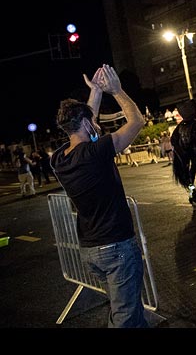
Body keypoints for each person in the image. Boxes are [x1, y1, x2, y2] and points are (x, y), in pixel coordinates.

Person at [50, 64, 148, 328]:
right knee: (125, 318)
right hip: (116, 248)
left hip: (92, 250)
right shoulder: (98, 151)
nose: (96, 124)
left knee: (130, 311)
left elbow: (84, 125)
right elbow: (137, 121)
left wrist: (94, 92)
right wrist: (116, 91)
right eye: (92, 121)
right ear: (84, 123)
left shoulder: (60, 159)